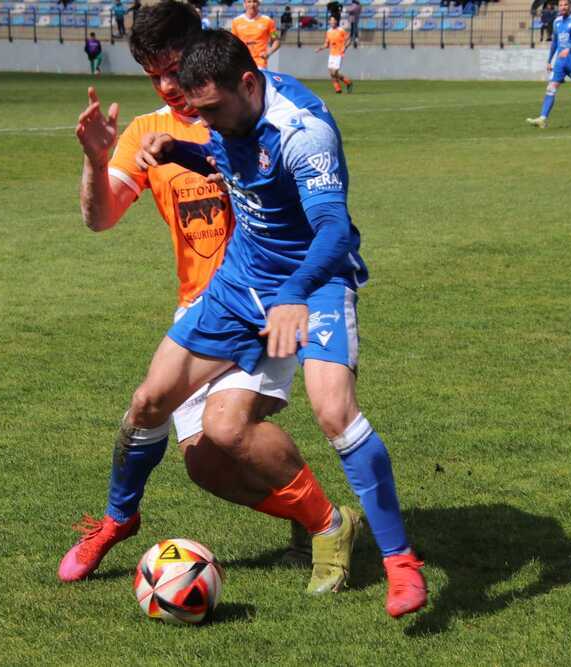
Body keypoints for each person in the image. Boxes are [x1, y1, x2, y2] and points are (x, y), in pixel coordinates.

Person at [62, 0, 359, 597]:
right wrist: (97, 163)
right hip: (204, 306)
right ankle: (123, 517)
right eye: (154, 76)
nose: (169, 87)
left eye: (175, 69)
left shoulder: (250, 113)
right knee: (198, 458)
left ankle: (327, 525)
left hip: (270, 298)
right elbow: (101, 218)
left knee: (228, 430)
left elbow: (320, 204)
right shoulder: (148, 132)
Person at [132, 28, 428, 619]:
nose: (207, 121)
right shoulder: (230, 115)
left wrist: (294, 291)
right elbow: (226, 159)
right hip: (244, 281)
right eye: (197, 112)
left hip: (314, 279)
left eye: (212, 110)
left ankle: (401, 563)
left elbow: (334, 231)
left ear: (248, 82)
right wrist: (179, 151)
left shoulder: (304, 132)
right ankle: (116, 520)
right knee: (150, 401)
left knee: (334, 410)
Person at [526, 0, 571, 130]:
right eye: (561, 5)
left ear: (570, 6)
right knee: (551, 88)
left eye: (565, 5)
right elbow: (555, 43)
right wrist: (549, 60)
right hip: (560, 61)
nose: (563, 7)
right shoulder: (557, 21)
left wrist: (569, 48)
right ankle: (542, 119)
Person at [231, 0, 280, 69]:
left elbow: (276, 41)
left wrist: (269, 52)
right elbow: (232, 43)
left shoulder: (268, 21)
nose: (252, 4)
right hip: (242, 63)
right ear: (244, 4)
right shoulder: (236, 22)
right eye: (249, 1)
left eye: (254, 1)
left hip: (260, 64)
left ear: (258, 3)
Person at [316, 16, 353, 95]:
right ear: (329, 22)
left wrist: (345, 47)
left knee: (335, 72)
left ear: (336, 22)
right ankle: (338, 90)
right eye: (331, 21)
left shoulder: (341, 30)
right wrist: (320, 48)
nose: (333, 22)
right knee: (331, 73)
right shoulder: (328, 32)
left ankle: (348, 82)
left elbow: (349, 39)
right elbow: (326, 44)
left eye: (334, 20)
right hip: (332, 54)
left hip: (339, 53)